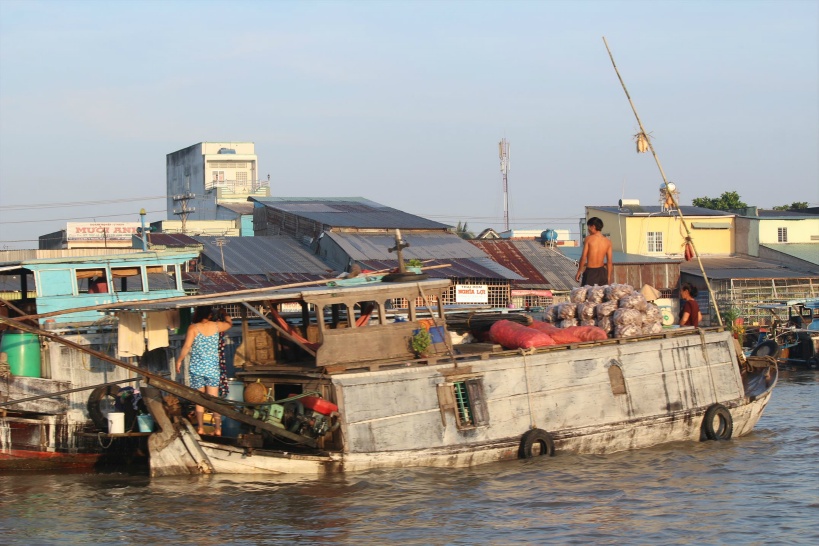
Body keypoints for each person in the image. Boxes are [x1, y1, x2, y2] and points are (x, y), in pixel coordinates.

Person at [176, 306, 232, 435]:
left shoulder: (193, 328)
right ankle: (218, 428)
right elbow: (230, 324)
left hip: (197, 369)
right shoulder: (217, 326)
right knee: (214, 399)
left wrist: (179, 360)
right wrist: (225, 313)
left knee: (199, 399)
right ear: (210, 315)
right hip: (212, 368)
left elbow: (186, 347)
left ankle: (200, 428)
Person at [575, 217, 613, 286]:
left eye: (588, 227)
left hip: (591, 272)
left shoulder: (589, 239)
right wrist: (609, 277)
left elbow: (583, 257)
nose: (588, 229)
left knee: (587, 295)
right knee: (601, 295)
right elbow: (609, 262)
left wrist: (579, 271)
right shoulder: (608, 241)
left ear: (593, 226)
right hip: (602, 272)